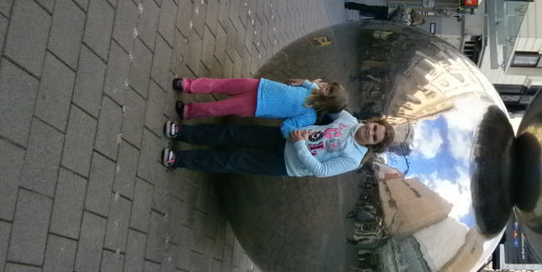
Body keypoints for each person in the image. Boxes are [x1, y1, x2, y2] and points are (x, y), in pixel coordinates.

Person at [160, 111, 394, 176]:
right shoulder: (348, 120)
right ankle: (183, 132)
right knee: (233, 134)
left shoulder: (353, 159)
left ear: (373, 145)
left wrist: (300, 145)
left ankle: (178, 159)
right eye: (374, 127)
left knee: (231, 161)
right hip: (283, 137)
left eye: (374, 136)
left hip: (284, 163)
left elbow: (320, 170)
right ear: (372, 121)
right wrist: (312, 85)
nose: (369, 132)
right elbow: (328, 102)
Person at [171, 77, 347, 136]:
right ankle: (187, 85)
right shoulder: (314, 88)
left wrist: (295, 134)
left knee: (219, 107)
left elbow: (288, 128)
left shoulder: (309, 116)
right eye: (328, 85)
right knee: (223, 84)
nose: (324, 86)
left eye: (328, 89)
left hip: (257, 105)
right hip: (260, 85)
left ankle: (188, 111)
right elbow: (300, 83)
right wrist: (307, 81)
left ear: (329, 102)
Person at [344, 2, 425, 25]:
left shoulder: (409, 9)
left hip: (386, 10)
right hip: (386, 19)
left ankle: (349, 5)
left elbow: (399, 5)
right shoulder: (408, 22)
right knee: (368, 22)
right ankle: (351, 24)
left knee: (368, 8)